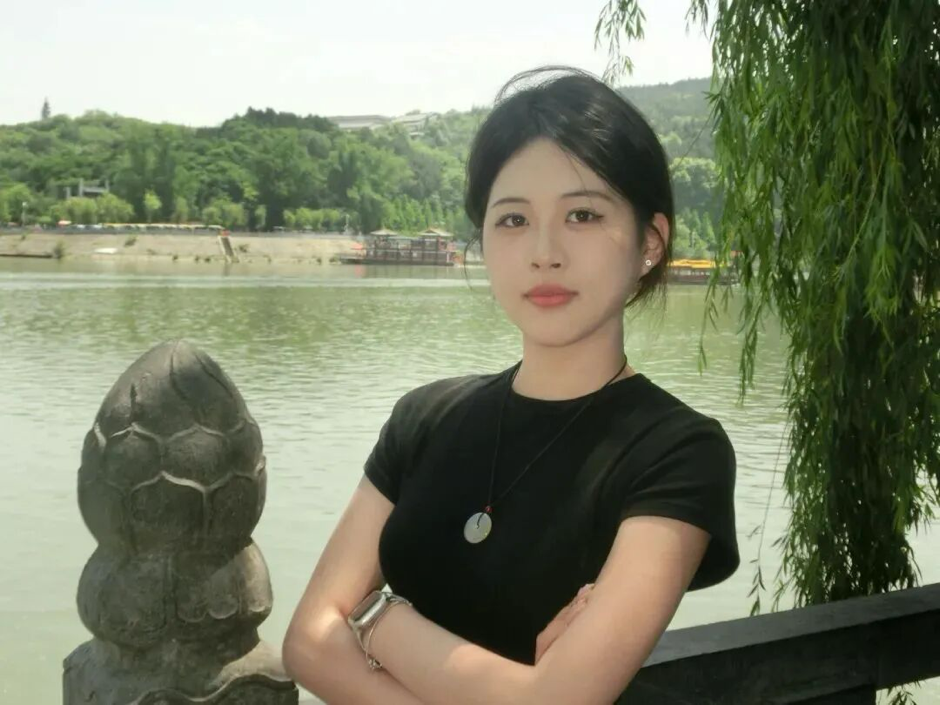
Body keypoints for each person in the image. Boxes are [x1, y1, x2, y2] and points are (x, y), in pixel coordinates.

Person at [283, 65, 739, 704]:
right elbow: (306, 643)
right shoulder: (427, 417)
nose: (544, 252)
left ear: (650, 242)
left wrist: (376, 618)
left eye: (582, 214)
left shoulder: (678, 453)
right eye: (513, 220)